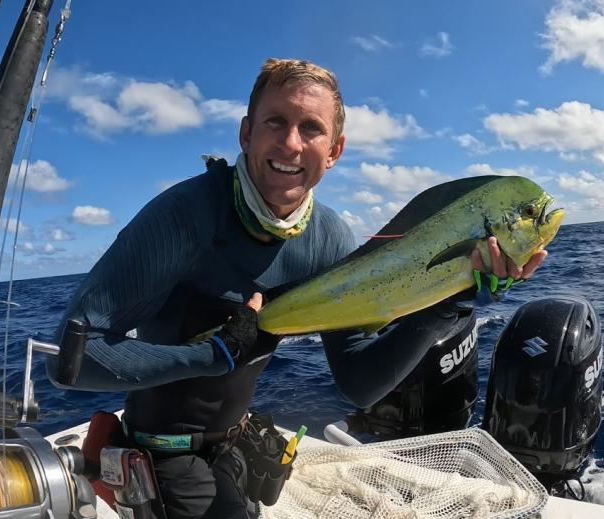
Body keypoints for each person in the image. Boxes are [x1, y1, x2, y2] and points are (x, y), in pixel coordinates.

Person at [48, 58, 546, 519]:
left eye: (311, 128)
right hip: (161, 454)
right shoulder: (184, 217)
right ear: (246, 133)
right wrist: (211, 356)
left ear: (334, 151)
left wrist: (447, 304)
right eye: (275, 122)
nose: (290, 144)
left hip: (237, 445)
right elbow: (71, 360)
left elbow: (358, 383)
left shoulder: (329, 238)